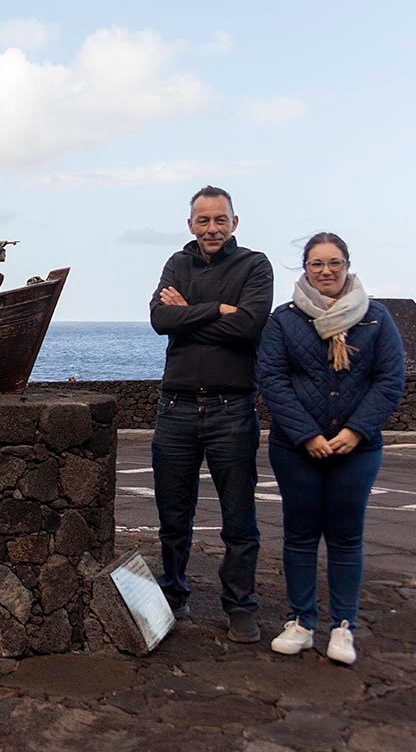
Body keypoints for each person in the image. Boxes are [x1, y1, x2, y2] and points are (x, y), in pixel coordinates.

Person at [257, 232, 405, 665]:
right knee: (300, 534)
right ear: (304, 268)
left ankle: (343, 626)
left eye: (334, 263)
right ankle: (301, 621)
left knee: (345, 536)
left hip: (357, 450)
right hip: (295, 447)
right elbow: (273, 379)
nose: (326, 271)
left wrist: (357, 430)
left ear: (347, 265)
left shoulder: (376, 318)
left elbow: (389, 380)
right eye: (317, 263)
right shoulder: (282, 321)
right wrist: (307, 434)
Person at [149, 185, 273, 643]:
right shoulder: (176, 264)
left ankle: (240, 606)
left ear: (234, 223)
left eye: (220, 219)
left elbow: (249, 325)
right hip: (176, 407)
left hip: (232, 408)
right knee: (172, 517)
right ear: (190, 225)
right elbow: (160, 320)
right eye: (203, 220)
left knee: (239, 519)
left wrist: (190, 315)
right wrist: (218, 309)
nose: (212, 228)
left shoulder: (254, 265)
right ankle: (174, 594)